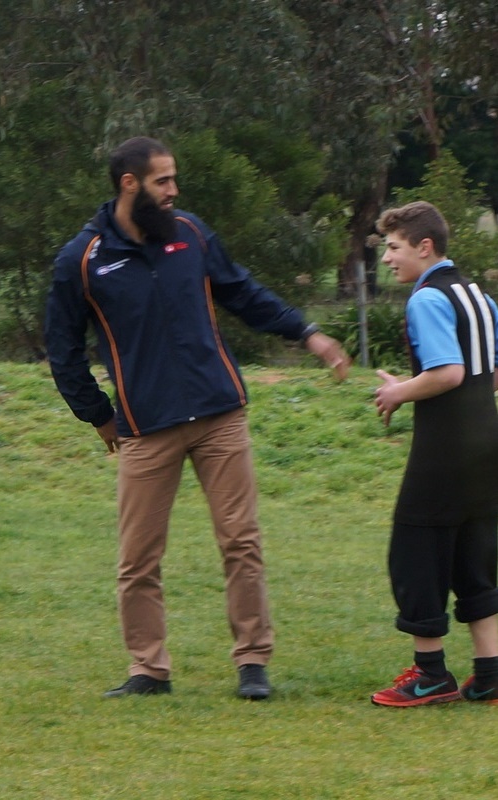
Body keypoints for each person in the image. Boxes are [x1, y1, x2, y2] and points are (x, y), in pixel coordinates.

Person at [44, 135, 350, 700]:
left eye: (174, 180)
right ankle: (148, 671)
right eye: (163, 180)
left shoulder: (190, 233)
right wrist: (98, 416)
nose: (174, 191)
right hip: (145, 428)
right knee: (138, 559)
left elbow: (244, 293)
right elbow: (60, 348)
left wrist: (309, 334)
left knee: (242, 542)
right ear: (129, 185)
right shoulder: (81, 260)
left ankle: (253, 663)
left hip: (219, 413)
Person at [372, 200, 498, 707]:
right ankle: (490, 674)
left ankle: (430, 676)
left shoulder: (426, 299)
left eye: (394, 247)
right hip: (487, 443)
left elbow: (447, 373)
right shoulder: (479, 297)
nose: (386, 259)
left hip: (443, 449)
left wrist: (397, 391)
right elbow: (490, 372)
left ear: (425, 248)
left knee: (415, 549)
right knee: (476, 554)